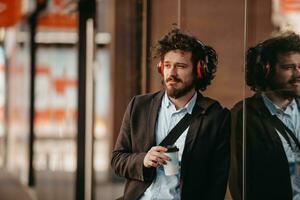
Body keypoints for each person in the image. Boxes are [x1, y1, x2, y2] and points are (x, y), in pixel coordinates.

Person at [111, 28, 230, 200]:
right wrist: (143, 160)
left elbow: (217, 184)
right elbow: (117, 160)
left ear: (199, 71)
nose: (171, 73)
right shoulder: (139, 106)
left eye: (180, 66)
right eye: (167, 65)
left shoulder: (216, 117)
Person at [229, 32, 300, 200]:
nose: (298, 73)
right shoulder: (245, 116)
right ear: (266, 70)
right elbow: (241, 183)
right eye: (289, 68)